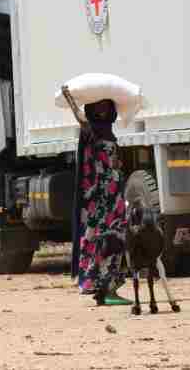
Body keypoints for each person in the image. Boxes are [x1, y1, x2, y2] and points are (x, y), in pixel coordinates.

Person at [71, 99, 130, 306]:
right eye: (98, 108)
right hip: (102, 200)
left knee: (111, 238)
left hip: (112, 198)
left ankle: (103, 286)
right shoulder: (90, 134)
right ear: (91, 111)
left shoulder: (106, 132)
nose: (103, 111)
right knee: (106, 239)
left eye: (106, 107)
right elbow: (92, 170)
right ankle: (104, 288)